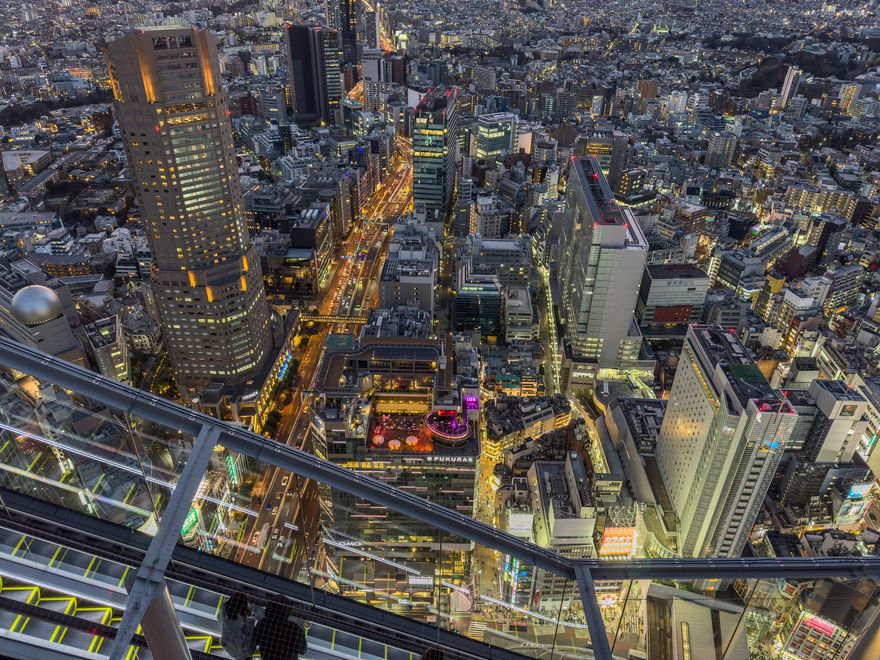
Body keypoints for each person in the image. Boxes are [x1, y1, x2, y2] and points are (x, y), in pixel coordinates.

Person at [253, 594, 308, 660]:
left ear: (268, 609)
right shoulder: (293, 629)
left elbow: (255, 640)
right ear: (287, 611)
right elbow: (302, 650)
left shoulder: (263, 624)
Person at [219, 593, 257, 660]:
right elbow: (223, 642)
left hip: (239, 618)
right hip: (228, 615)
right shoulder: (231, 653)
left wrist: (251, 617)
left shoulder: (249, 652)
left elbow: (249, 631)